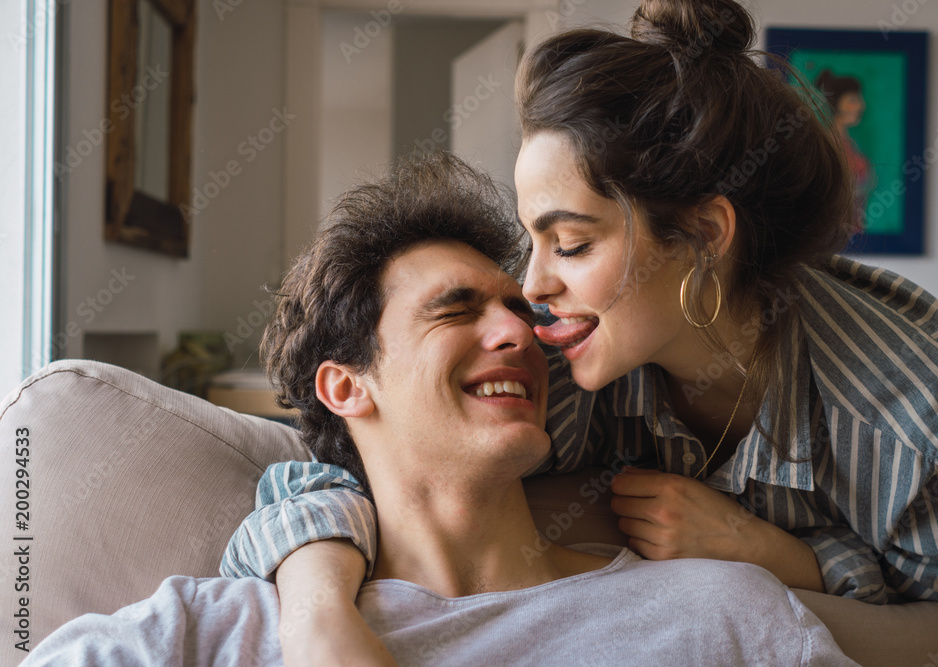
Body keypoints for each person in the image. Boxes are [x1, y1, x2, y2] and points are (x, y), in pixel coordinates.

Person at [222, 0, 938, 664]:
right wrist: (320, 618)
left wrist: (767, 562)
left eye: (572, 244)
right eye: (532, 241)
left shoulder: (923, 430)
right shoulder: (548, 354)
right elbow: (355, 460)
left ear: (702, 234)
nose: (529, 288)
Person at [20, 152, 856, 667]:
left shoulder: (725, 616)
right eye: (457, 311)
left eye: (518, 309)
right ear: (347, 386)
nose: (518, 332)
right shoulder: (212, 633)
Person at [815, 69, 872, 232]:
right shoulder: (827, 144)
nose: (861, 105)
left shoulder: (849, 143)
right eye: (853, 100)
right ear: (836, 102)